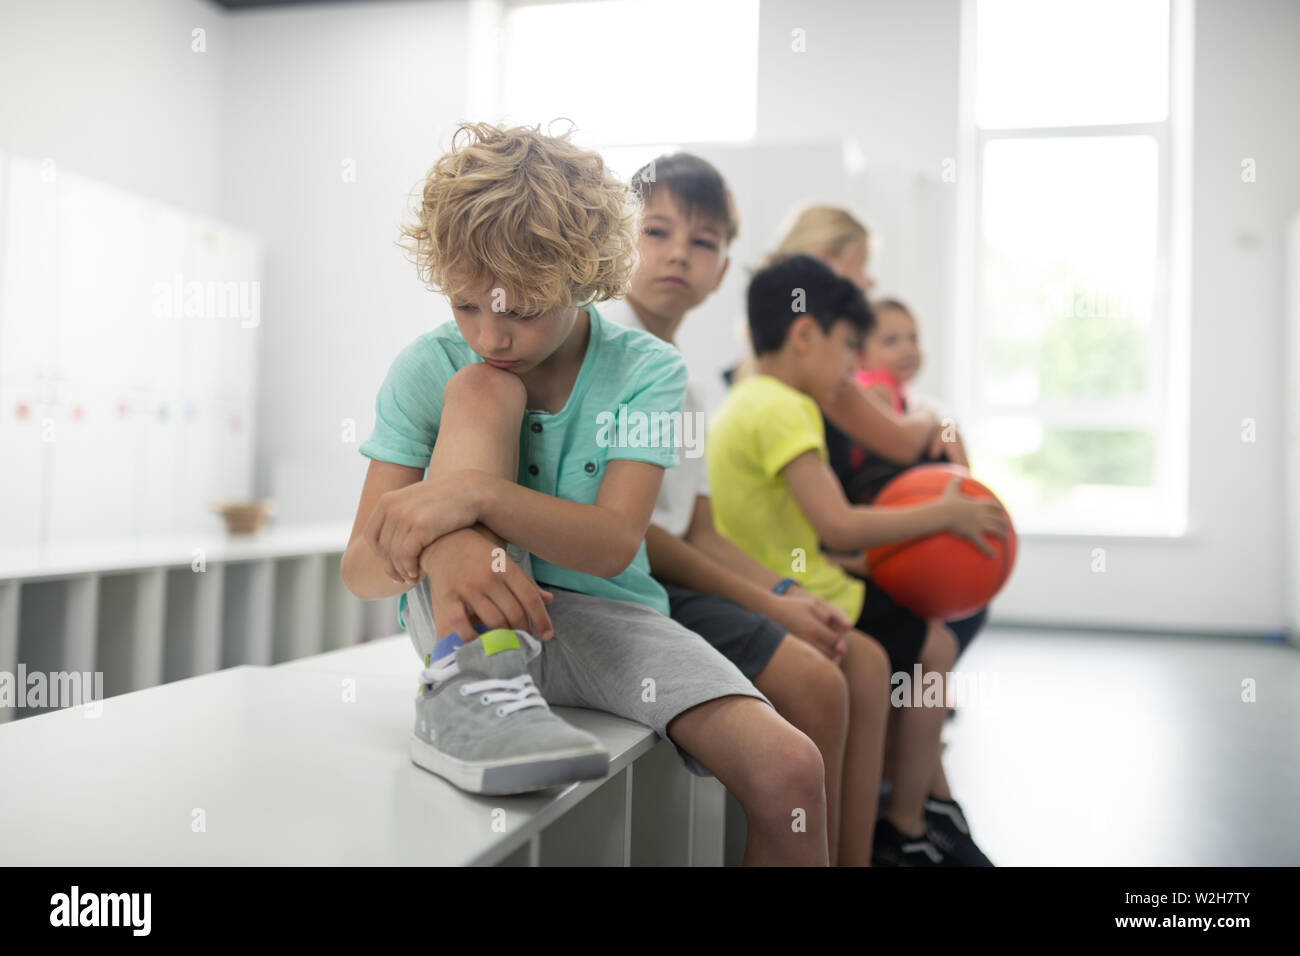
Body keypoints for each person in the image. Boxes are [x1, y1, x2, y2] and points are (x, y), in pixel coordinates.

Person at [341, 122, 828, 865]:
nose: (491, 334)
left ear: (584, 275)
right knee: (480, 390)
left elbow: (612, 545)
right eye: (465, 304)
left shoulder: (646, 368)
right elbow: (361, 572)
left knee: (792, 769)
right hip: (464, 615)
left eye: (522, 308)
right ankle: (475, 682)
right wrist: (446, 546)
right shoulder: (434, 367)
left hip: (610, 616)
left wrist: (468, 496)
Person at [603, 153, 890, 866]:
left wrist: (784, 592)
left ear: (726, 267)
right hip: (625, 586)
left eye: (703, 242)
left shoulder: (690, 388)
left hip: (667, 576)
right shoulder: (601, 345)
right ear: (619, 238)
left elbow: (698, 530)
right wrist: (774, 602)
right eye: (657, 232)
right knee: (818, 681)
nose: (678, 254)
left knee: (850, 659)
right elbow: (634, 535)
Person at [706, 252, 1006, 865]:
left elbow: (804, 526)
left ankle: (875, 831)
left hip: (803, 571)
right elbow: (838, 520)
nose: (850, 366)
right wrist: (946, 514)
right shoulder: (782, 405)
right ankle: (889, 827)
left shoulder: (750, 397)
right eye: (850, 347)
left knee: (878, 664)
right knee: (924, 650)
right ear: (804, 334)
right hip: (801, 585)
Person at [761, 205, 989, 656]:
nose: (869, 283)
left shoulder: (776, 359)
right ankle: (918, 707)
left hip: (820, 538)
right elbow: (904, 443)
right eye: (862, 267)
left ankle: (917, 706)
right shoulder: (821, 375)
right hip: (818, 550)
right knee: (936, 636)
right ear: (828, 264)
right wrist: (934, 416)